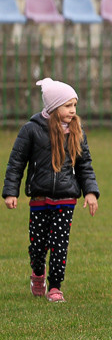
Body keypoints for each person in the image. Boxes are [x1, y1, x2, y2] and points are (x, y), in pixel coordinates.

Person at [4, 78, 99, 303]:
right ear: (53, 107)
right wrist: (11, 191)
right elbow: (16, 162)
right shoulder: (31, 130)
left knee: (59, 245)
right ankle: (38, 273)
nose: (73, 111)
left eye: (75, 105)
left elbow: (85, 164)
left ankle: (55, 286)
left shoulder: (76, 131)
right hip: (39, 197)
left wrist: (91, 192)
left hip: (66, 198)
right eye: (67, 106)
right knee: (37, 245)